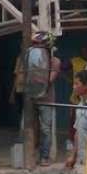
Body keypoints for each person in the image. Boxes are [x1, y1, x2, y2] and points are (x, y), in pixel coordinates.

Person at [25, 31, 62, 166]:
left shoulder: (55, 61)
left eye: (39, 45)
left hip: (46, 98)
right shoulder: (30, 57)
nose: (36, 48)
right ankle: (29, 155)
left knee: (45, 129)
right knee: (28, 126)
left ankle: (44, 156)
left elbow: (49, 80)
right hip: (31, 97)